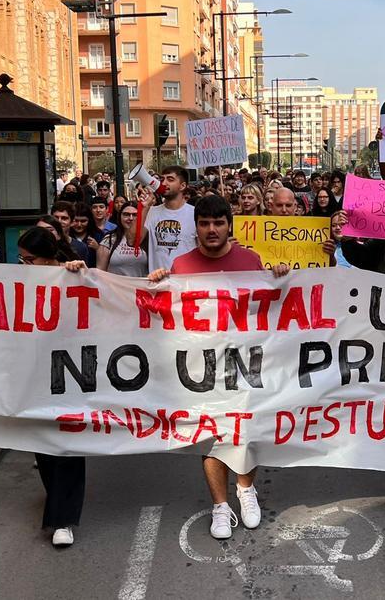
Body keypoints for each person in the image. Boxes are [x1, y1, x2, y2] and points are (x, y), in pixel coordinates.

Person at [148, 196, 289, 540]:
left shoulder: (249, 260)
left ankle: (246, 489)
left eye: (218, 223)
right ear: (195, 227)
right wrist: (154, 287)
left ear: (230, 225)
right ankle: (220, 506)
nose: (212, 230)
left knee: (246, 433)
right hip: (201, 370)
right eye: (204, 223)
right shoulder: (180, 266)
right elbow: (157, 316)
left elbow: (269, 310)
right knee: (211, 437)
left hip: (245, 366)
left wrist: (280, 279)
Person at [14, 227, 89, 546]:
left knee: (68, 443)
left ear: (47, 258)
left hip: (70, 371)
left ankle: (63, 519)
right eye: (21, 259)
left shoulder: (71, 276)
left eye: (29, 260)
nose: (24, 266)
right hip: (35, 373)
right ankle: (57, 501)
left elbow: (94, 290)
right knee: (43, 441)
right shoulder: (18, 282)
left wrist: (76, 272)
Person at [141, 166, 197, 271]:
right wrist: (144, 208)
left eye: (170, 179)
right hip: (158, 282)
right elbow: (133, 240)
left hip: (186, 282)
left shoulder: (195, 213)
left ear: (182, 186)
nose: (164, 183)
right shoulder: (151, 212)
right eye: (162, 179)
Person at [97, 201, 150, 277]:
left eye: (135, 215)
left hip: (140, 287)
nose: (131, 218)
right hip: (114, 287)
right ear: (120, 216)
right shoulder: (109, 239)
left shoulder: (147, 238)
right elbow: (100, 273)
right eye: (126, 214)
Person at [70, 203, 99, 268]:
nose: (79, 225)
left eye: (83, 221)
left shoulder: (98, 236)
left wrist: (98, 249)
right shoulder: (66, 236)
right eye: (76, 221)